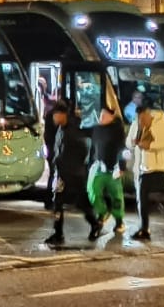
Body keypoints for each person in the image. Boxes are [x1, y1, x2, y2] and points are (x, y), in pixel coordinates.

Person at [43, 98, 98, 246]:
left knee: (82, 202)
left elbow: (84, 149)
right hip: (62, 173)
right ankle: (58, 233)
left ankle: (94, 224)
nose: (54, 118)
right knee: (58, 202)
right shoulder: (61, 129)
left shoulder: (73, 131)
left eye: (56, 115)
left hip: (74, 174)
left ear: (62, 115)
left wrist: (75, 165)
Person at [130, 92, 164, 240]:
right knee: (142, 199)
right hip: (142, 168)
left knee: (158, 198)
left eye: (143, 117)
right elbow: (130, 141)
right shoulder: (138, 123)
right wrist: (132, 142)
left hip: (158, 168)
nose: (141, 120)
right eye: (139, 118)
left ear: (148, 113)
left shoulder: (160, 123)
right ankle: (144, 229)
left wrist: (150, 146)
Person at [87, 97, 128, 236]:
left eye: (105, 115)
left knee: (116, 196)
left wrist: (121, 166)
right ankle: (102, 212)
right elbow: (93, 148)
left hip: (113, 168)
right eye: (101, 114)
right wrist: (90, 164)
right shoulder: (97, 129)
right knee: (92, 191)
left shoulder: (117, 130)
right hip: (98, 166)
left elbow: (123, 149)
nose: (102, 117)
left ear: (112, 117)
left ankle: (119, 221)